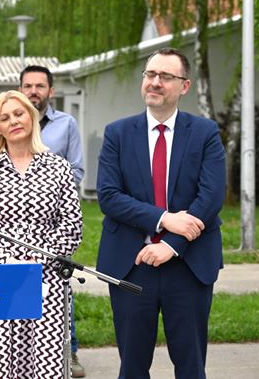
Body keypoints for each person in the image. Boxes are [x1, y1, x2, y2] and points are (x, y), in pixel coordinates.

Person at [96, 47, 225, 378]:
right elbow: (109, 196)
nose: (155, 82)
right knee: (133, 367)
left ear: (185, 86)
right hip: (132, 264)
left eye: (165, 76)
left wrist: (170, 245)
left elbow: (210, 197)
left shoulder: (205, 133)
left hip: (189, 263)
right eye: (150, 74)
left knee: (191, 366)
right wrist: (165, 219)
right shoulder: (117, 133)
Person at [0, 90, 82, 378]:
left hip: (47, 278)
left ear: (31, 116)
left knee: (44, 364)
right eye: (5, 118)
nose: (14, 121)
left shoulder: (58, 168)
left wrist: (38, 258)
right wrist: (11, 260)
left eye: (18, 114)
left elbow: (72, 225)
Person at [19, 64, 86, 377]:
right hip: (16, 223)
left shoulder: (66, 124)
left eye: (40, 86)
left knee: (60, 286)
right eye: (28, 86)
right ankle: (22, 351)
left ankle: (68, 351)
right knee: (18, 285)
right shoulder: (10, 122)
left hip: (55, 223)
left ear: (51, 91)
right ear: (20, 89)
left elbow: (77, 170)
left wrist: (47, 191)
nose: (33, 91)